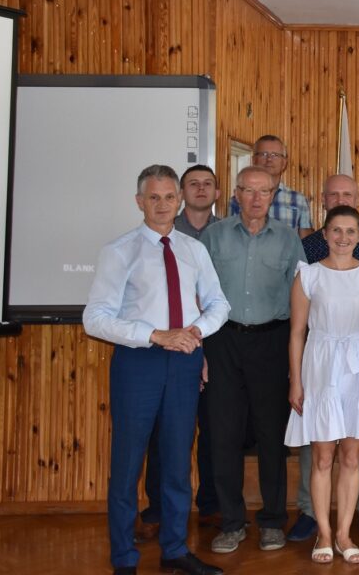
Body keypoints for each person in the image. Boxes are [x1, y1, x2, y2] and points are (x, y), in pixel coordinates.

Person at [83, 164, 230, 575]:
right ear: (139, 202)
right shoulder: (120, 251)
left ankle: (175, 551)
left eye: (169, 197)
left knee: (178, 462)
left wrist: (195, 332)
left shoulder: (193, 250)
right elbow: (94, 318)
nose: (163, 205)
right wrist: (155, 335)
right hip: (139, 363)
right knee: (128, 463)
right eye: (154, 197)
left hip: (184, 362)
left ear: (178, 200)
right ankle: (124, 560)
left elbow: (219, 304)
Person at [287, 174, 359, 544]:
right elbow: (297, 332)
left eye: (350, 231)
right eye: (336, 230)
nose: (342, 237)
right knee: (322, 457)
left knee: (352, 457)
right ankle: (322, 533)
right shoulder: (308, 274)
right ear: (325, 234)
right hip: (320, 363)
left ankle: (344, 534)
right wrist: (296, 381)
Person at [200, 166, 306, 555]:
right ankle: (231, 522)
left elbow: (299, 297)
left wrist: (296, 359)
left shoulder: (288, 239)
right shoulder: (213, 236)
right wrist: (201, 350)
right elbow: (200, 294)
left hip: (271, 342)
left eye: (265, 192)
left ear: (274, 195)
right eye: (249, 191)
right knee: (224, 435)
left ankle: (273, 521)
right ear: (236, 193)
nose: (257, 199)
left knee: (271, 436)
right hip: (222, 341)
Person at [139, 164, 223, 541]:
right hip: (169, 347)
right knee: (164, 436)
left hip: (215, 340)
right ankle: (157, 509)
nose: (200, 190)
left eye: (208, 184)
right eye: (193, 184)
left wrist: (198, 340)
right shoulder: (162, 235)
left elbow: (217, 301)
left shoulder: (225, 233)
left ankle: (210, 504)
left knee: (213, 430)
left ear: (218, 193)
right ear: (182, 193)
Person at [228, 134, 313, 236]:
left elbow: (305, 243)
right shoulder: (237, 200)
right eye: (263, 154)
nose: (269, 159)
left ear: (284, 163)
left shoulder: (298, 200)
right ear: (254, 160)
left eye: (275, 155)